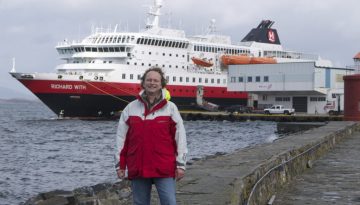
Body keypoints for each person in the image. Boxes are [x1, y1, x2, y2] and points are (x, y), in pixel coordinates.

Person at [114, 67, 188, 205]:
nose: (152, 83)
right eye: (148, 80)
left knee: (169, 203)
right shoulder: (130, 108)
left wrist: (181, 165)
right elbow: (121, 139)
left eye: (155, 80)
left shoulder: (170, 108)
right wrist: (120, 165)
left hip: (163, 166)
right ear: (143, 83)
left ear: (161, 84)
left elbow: (180, 138)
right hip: (138, 166)